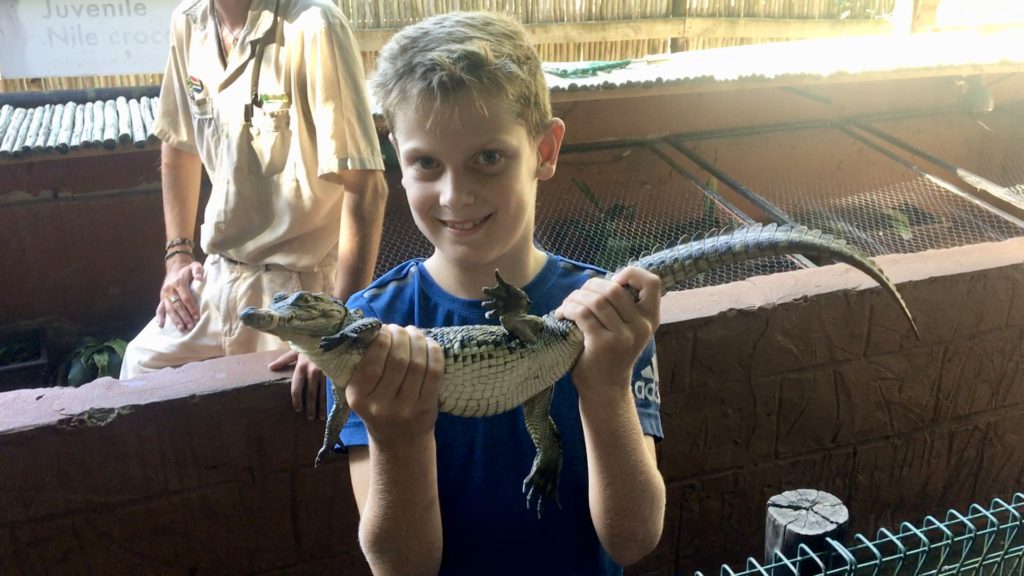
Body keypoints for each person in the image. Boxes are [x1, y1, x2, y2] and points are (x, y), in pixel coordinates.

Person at [333, 11, 665, 575]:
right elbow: (400, 569)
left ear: (545, 150)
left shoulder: (605, 314)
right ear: (398, 157)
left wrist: (606, 389)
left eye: (488, 158)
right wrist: (398, 440)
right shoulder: (369, 326)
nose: (454, 196)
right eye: (426, 163)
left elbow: (634, 540)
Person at [119, 0, 388, 416]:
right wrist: (177, 256)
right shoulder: (188, 22)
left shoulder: (313, 25)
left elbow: (366, 188)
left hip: (299, 292)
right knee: (139, 373)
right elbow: (178, 144)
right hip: (217, 275)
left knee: (290, 425)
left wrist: (336, 329)